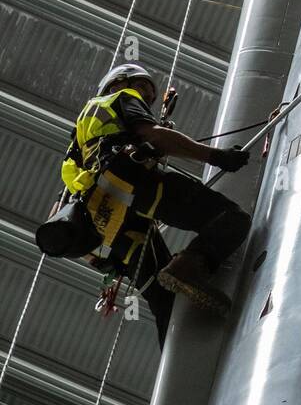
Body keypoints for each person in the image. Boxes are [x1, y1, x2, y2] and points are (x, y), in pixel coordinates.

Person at [61, 62, 251, 346]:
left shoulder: (78, 143)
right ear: (116, 84)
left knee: (167, 305)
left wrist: (104, 261)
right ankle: (188, 267)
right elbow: (154, 135)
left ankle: (178, 363)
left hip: (108, 222)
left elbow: (60, 219)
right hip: (135, 182)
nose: (145, 98)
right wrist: (216, 157)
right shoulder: (119, 98)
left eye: (149, 96)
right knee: (230, 218)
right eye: (142, 88)